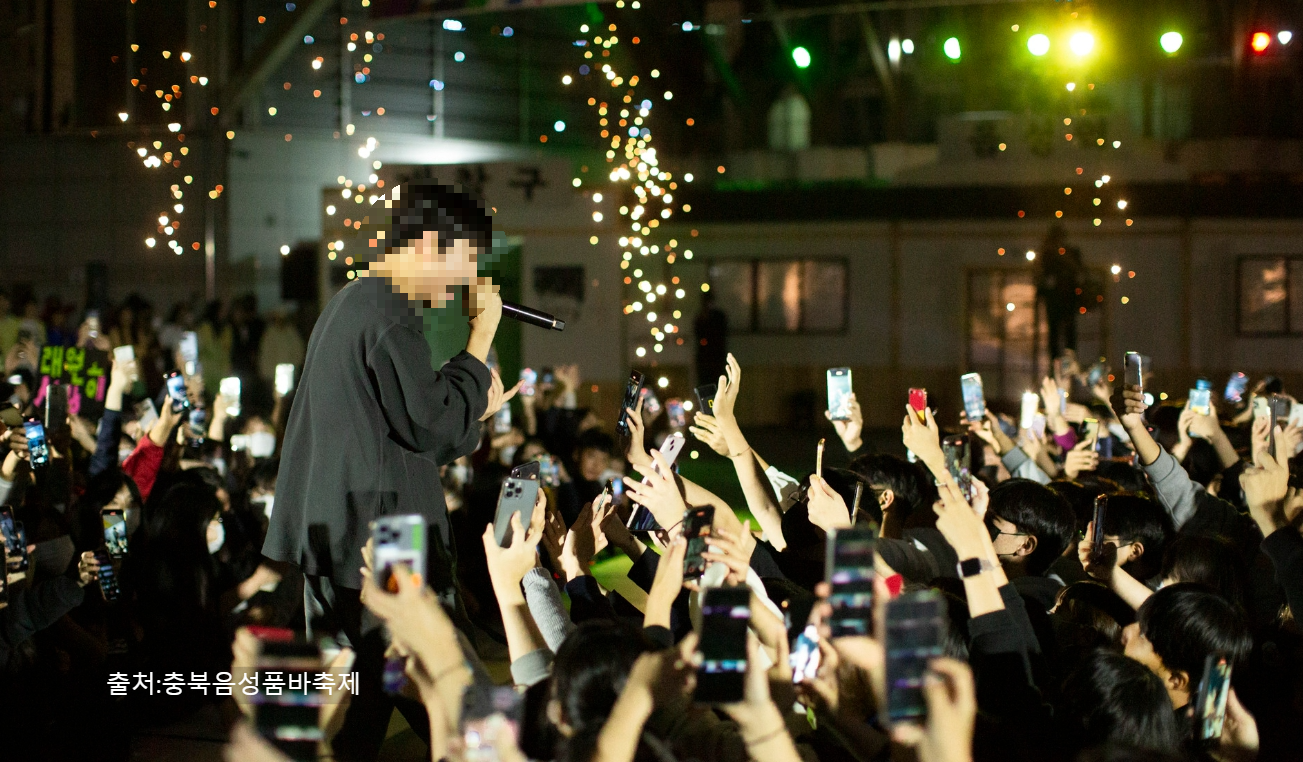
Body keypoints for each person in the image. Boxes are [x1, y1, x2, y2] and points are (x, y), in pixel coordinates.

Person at [262, 181, 519, 761]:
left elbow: (405, 431)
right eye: (465, 262)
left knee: (362, 701)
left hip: (335, 533)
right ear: (428, 244)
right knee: (444, 682)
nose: (467, 281)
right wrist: (481, 339)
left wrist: (470, 405)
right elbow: (430, 424)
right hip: (385, 541)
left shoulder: (354, 302)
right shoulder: (388, 312)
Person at [693, 290, 728, 387]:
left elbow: (720, 334)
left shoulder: (718, 316)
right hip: (706, 355)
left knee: (716, 381)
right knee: (705, 382)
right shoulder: (701, 316)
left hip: (715, 355)